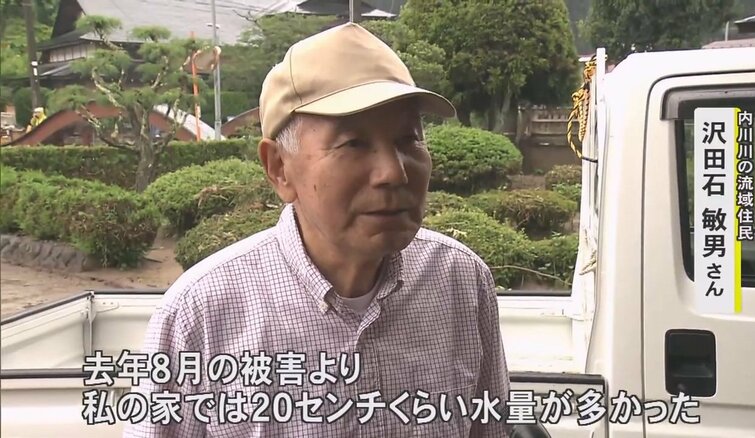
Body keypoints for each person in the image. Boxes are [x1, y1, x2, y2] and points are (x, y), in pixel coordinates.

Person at [124, 22, 510, 437]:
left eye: (408, 139)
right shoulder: (200, 313)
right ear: (279, 168)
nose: (393, 173)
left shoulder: (460, 280)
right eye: (353, 144)